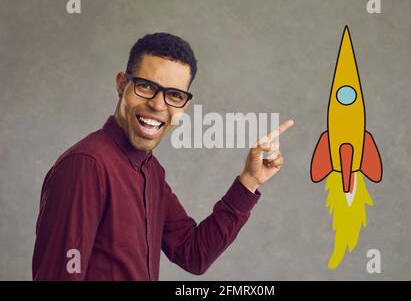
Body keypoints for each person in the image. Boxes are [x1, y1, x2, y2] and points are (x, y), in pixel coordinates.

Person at [32, 33, 294, 280]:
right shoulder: (86, 165)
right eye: (146, 86)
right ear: (122, 85)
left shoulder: (151, 171)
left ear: (184, 106)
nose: (158, 105)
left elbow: (193, 254)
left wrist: (249, 180)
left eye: (174, 95)